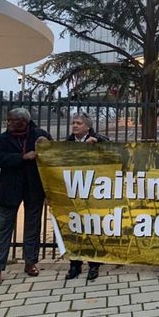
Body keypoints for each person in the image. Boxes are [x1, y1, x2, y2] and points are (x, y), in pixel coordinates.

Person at [0, 108, 52, 287]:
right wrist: (22, 157)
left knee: (32, 226)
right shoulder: (2, 139)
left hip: (34, 188)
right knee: (3, 229)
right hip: (9, 190)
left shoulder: (39, 134)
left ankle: (30, 262)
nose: (8, 123)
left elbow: (51, 155)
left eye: (12, 120)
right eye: (8, 120)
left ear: (23, 121)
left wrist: (46, 146)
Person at [65, 113, 109, 281]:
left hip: (94, 191)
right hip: (73, 191)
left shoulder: (100, 139)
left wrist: (99, 146)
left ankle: (94, 265)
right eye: (73, 123)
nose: (75, 126)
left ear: (88, 127)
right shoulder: (67, 143)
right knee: (74, 228)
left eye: (79, 123)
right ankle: (74, 265)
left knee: (93, 228)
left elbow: (115, 155)